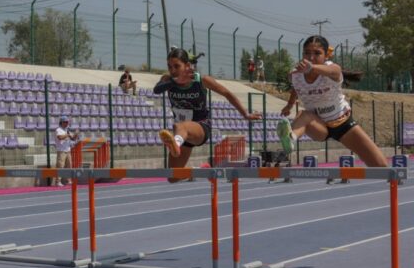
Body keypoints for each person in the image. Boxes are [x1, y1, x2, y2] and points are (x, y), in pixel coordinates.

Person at [277, 35, 387, 167]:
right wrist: (289, 105)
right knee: (303, 115)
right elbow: (296, 87)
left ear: (326, 57)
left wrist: (312, 68)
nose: (311, 58)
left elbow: (335, 71)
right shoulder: (295, 75)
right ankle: (290, 139)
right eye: (307, 53)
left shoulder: (332, 69)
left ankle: (393, 186)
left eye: (317, 53)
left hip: (342, 124)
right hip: (318, 125)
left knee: (381, 166)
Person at [154, 48, 261, 181]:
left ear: (187, 66)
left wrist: (245, 114)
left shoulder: (201, 80)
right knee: (173, 177)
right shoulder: (167, 80)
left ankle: (175, 143)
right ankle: (200, 169)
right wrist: (175, 81)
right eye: (170, 66)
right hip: (183, 137)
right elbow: (156, 90)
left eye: (177, 66)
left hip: (201, 127)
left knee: (179, 126)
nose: (172, 70)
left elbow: (227, 93)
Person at [53, 116, 78, 187]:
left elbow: (73, 139)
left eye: (68, 122)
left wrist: (76, 134)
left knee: (69, 166)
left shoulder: (67, 130)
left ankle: (68, 180)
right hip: (61, 151)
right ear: (62, 122)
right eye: (65, 122)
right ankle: (58, 181)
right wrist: (67, 135)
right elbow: (60, 137)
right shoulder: (58, 130)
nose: (67, 123)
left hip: (68, 150)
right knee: (60, 166)